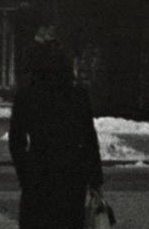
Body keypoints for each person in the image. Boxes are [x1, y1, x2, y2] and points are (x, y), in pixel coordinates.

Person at [8, 40, 103, 229]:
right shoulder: (78, 96)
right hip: (71, 176)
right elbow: (89, 140)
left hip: (38, 173)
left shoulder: (27, 96)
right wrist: (95, 179)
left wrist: (25, 172)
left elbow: (16, 139)